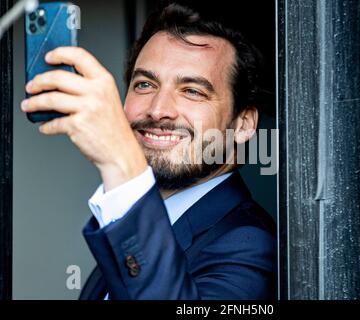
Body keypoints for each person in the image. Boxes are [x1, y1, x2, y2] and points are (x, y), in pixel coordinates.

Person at [20, 1, 276, 300]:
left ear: (244, 123)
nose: (158, 110)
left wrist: (122, 165)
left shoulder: (250, 244)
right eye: (144, 85)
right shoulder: (126, 224)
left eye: (192, 91)